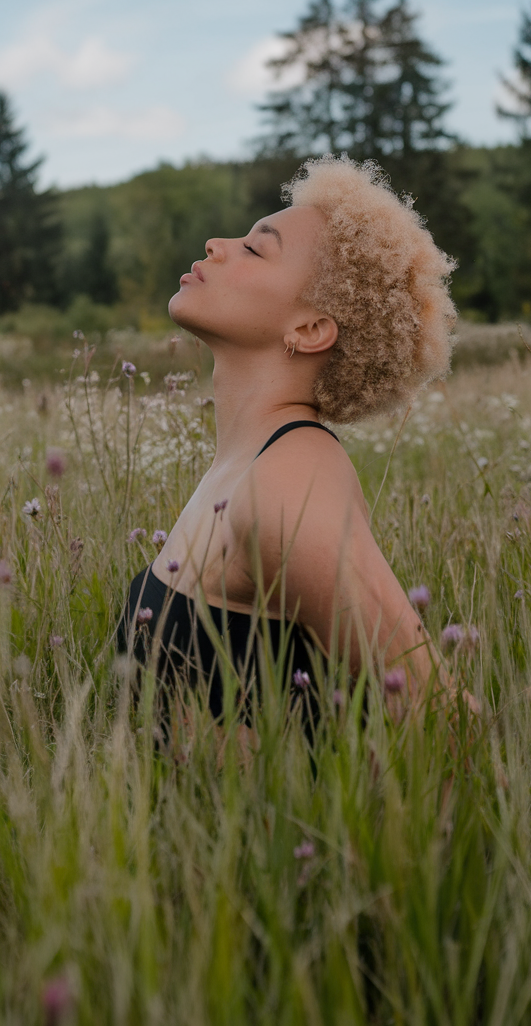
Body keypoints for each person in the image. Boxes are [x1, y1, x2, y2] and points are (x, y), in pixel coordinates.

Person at [118, 155, 456, 717]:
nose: (215, 244)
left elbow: (434, 704)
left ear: (310, 328)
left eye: (255, 248)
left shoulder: (287, 479)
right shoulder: (249, 462)